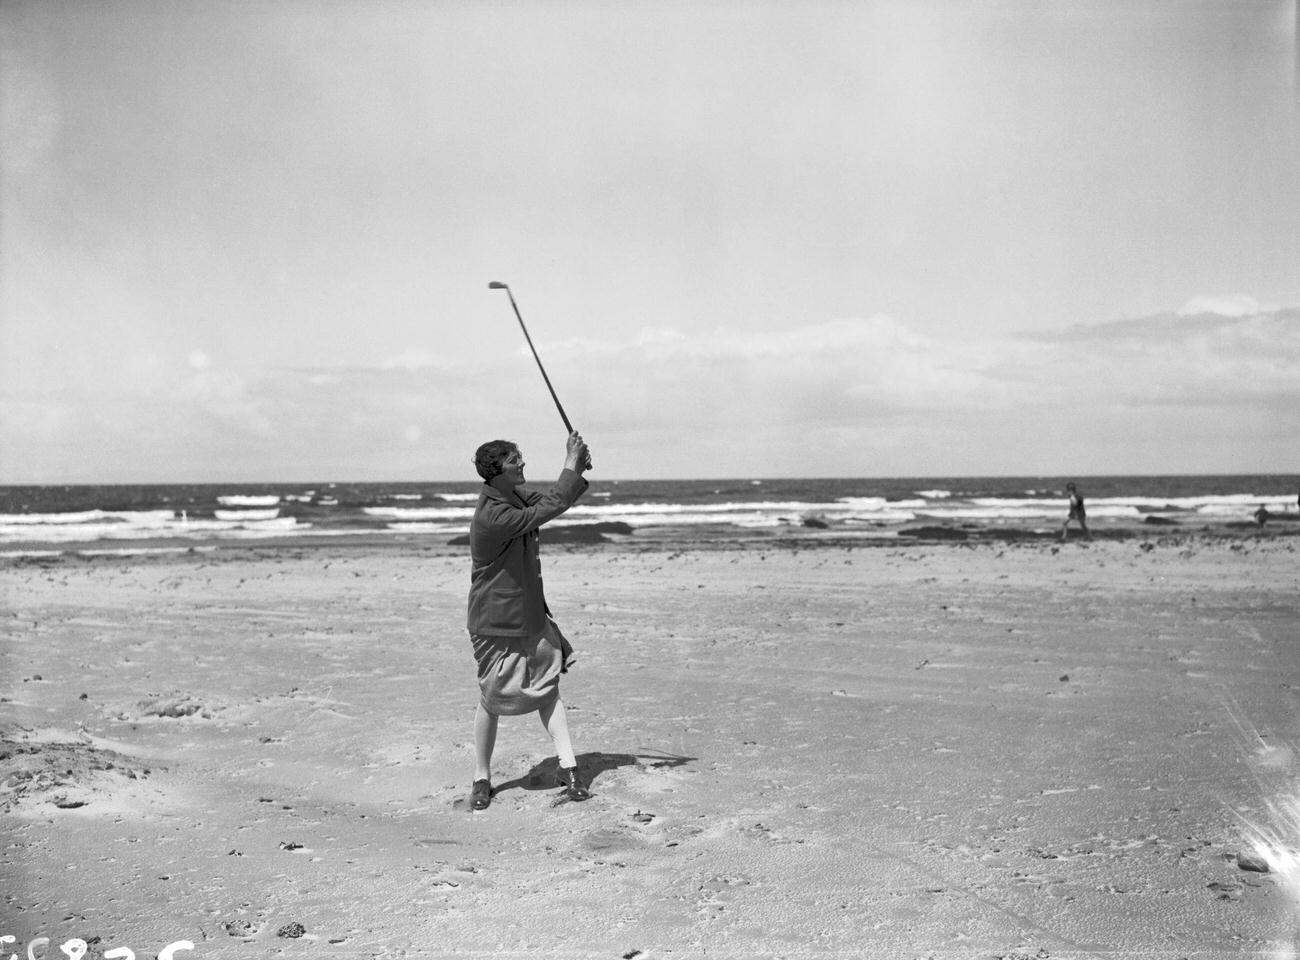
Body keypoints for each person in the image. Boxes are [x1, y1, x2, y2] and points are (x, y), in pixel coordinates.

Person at [465, 430, 592, 811]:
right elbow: (546, 509)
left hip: (532, 613)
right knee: (491, 699)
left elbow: (555, 500)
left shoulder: (513, 496)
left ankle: (569, 768)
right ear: (496, 470)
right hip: (495, 620)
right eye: (514, 459)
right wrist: (570, 462)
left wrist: (576, 468)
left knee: (548, 689)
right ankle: (481, 777)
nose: (522, 463)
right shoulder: (494, 514)